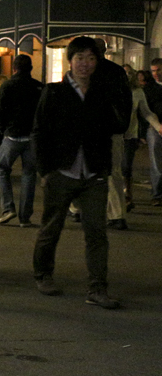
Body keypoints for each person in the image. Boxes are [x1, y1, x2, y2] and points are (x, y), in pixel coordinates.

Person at [32, 36, 128, 309]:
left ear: (97, 62)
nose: (85, 64)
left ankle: (97, 288)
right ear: (70, 61)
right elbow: (39, 132)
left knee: (97, 232)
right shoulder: (53, 92)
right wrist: (45, 170)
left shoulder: (103, 93)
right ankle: (43, 274)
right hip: (61, 172)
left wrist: (106, 167)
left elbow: (116, 126)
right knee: (51, 227)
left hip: (94, 174)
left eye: (90, 58)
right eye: (80, 58)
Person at [0, 55, 44, 227]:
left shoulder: (7, 85)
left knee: (2, 170)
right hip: (32, 137)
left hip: (12, 136)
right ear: (30, 69)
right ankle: (25, 217)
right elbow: (44, 112)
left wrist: (3, 130)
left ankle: (8, 208)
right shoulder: (38, 87)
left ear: (14, 69)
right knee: (29, 175)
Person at [92, 38, 134, 230]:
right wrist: (122, 126)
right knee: (113, 173)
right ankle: (117, 215)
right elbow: (127, 101)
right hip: (113, 130)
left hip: (91, 129)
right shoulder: (117, 72)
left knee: (83, 168)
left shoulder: (86, 70)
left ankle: (78, 210)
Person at [123, 71, 160, 212]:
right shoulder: (111, 90)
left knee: (126, 166)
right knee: (113, 169)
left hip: (129, 135)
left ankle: (127, 196)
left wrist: (158, 127)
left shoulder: (137, 92)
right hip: (112, 136)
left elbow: (146, 112)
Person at [143, 58, 162, 207]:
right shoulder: (149, 89)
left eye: (159, 70)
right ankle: (157, 193)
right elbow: (146, 111)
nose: (156, 74)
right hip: (156, 128)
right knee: (157, 163)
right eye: (153, 71)